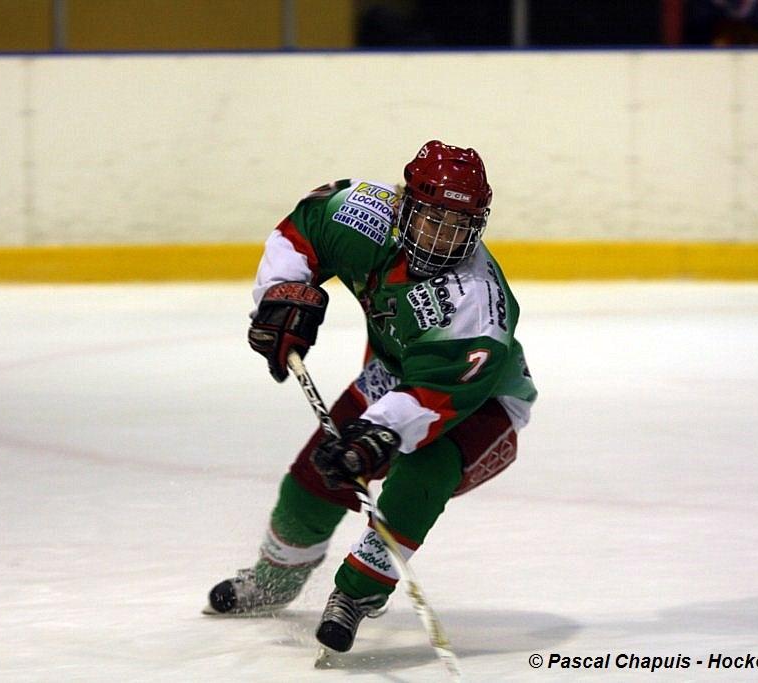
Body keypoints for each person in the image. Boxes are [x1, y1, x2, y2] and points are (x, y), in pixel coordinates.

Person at [204, 140, 538, 654]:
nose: (445, 240)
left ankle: (356, 595)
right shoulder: (362, 213)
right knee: (318, 474)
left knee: (420, 477)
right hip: (394, 372)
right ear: (404, 205)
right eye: (434, 221)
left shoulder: (478, 308)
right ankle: (273, 581)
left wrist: (380, 432)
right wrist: (282, 293)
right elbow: (302, 231)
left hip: (480, 402)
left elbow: (438, 397)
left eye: (459, 227)